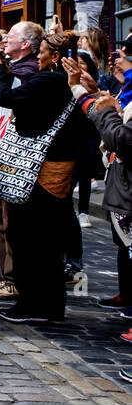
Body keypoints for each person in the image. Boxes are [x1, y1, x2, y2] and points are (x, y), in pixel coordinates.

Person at [0, 27, 89, 324]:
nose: (39, 57)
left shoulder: (49, 80)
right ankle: (48, 304)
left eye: (43, 52)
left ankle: (35, 304)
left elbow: (7, 97)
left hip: (40, 169)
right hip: (59, 166)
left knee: (30, 239)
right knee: (45, 239)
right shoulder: (71, 80)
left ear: (55, 56)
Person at [65, 57, 132, 327]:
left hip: (127, 184)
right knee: (124, 245)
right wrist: (88, 93)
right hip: (122, 185)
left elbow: (121, 138)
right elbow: (101, 113)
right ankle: (127, 296)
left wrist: (107, 110)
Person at [0, 21, 43, 300]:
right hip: (0, 148)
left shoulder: (30, 72)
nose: (5, 40)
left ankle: (14, 278)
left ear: (26, 44)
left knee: (10, 219)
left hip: (17, 151)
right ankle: (7, 275)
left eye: (12, 36)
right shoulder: (13, 68)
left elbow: (4, 97)